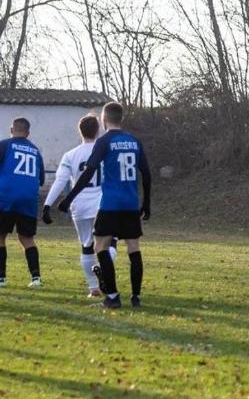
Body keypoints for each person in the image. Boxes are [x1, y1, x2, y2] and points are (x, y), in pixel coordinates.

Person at [59, 102, 151, 309]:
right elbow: (146, 175)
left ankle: (112, 297)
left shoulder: (104, 142)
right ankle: (136, 297)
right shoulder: (134, 141)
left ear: (104, 119)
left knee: (100, 246)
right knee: (133, 247)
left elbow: (88, 173)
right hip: (130, 203)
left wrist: (69, 198)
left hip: (110, 203)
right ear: (122, 118)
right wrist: (146, 203)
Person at [43, 115, 118, 297]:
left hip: (81, 205)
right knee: (110, 242)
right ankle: (101, 269)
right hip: (105, 203)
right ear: (98, 130)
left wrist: (47, 205)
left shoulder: (71, 155)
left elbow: (60, 181)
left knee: (86, 245)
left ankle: (93, 288)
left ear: (80, 131)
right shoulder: (108, 150)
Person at [0, 117, 45, 287]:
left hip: (6, 197)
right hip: (28, 199)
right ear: (28, 133)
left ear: (12, 130)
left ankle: (1, 278)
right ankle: (36, 278)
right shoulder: (35, 151)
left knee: (0, 236)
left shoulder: (4, 145)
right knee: (27, 238)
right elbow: (41, 179)